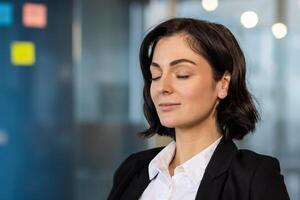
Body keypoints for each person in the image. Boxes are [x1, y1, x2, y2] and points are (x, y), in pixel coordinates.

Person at [107, 18, 290, 200]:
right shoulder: (133, 169)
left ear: (223, 84)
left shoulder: (253, 178)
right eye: (156, 75)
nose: (163, 87)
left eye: (182, 74)